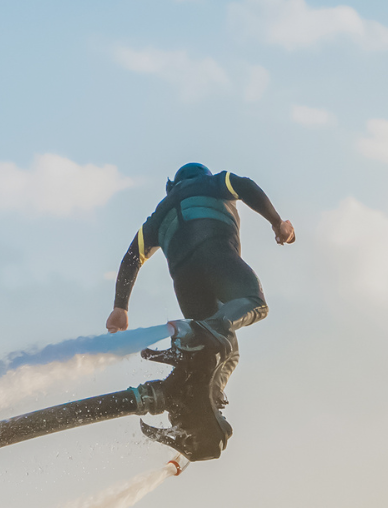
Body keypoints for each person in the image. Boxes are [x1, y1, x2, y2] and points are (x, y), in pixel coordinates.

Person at [104, 162, 295, 456]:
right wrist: (277, 222)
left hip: (184, 278)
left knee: (222, 350)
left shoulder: (159, 212)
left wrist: (121, 306)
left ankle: (193, 410)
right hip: (215, 252)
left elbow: (132, 257)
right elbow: (245, 186)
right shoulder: (215, 182)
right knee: (253, 302)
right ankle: (201, 340)